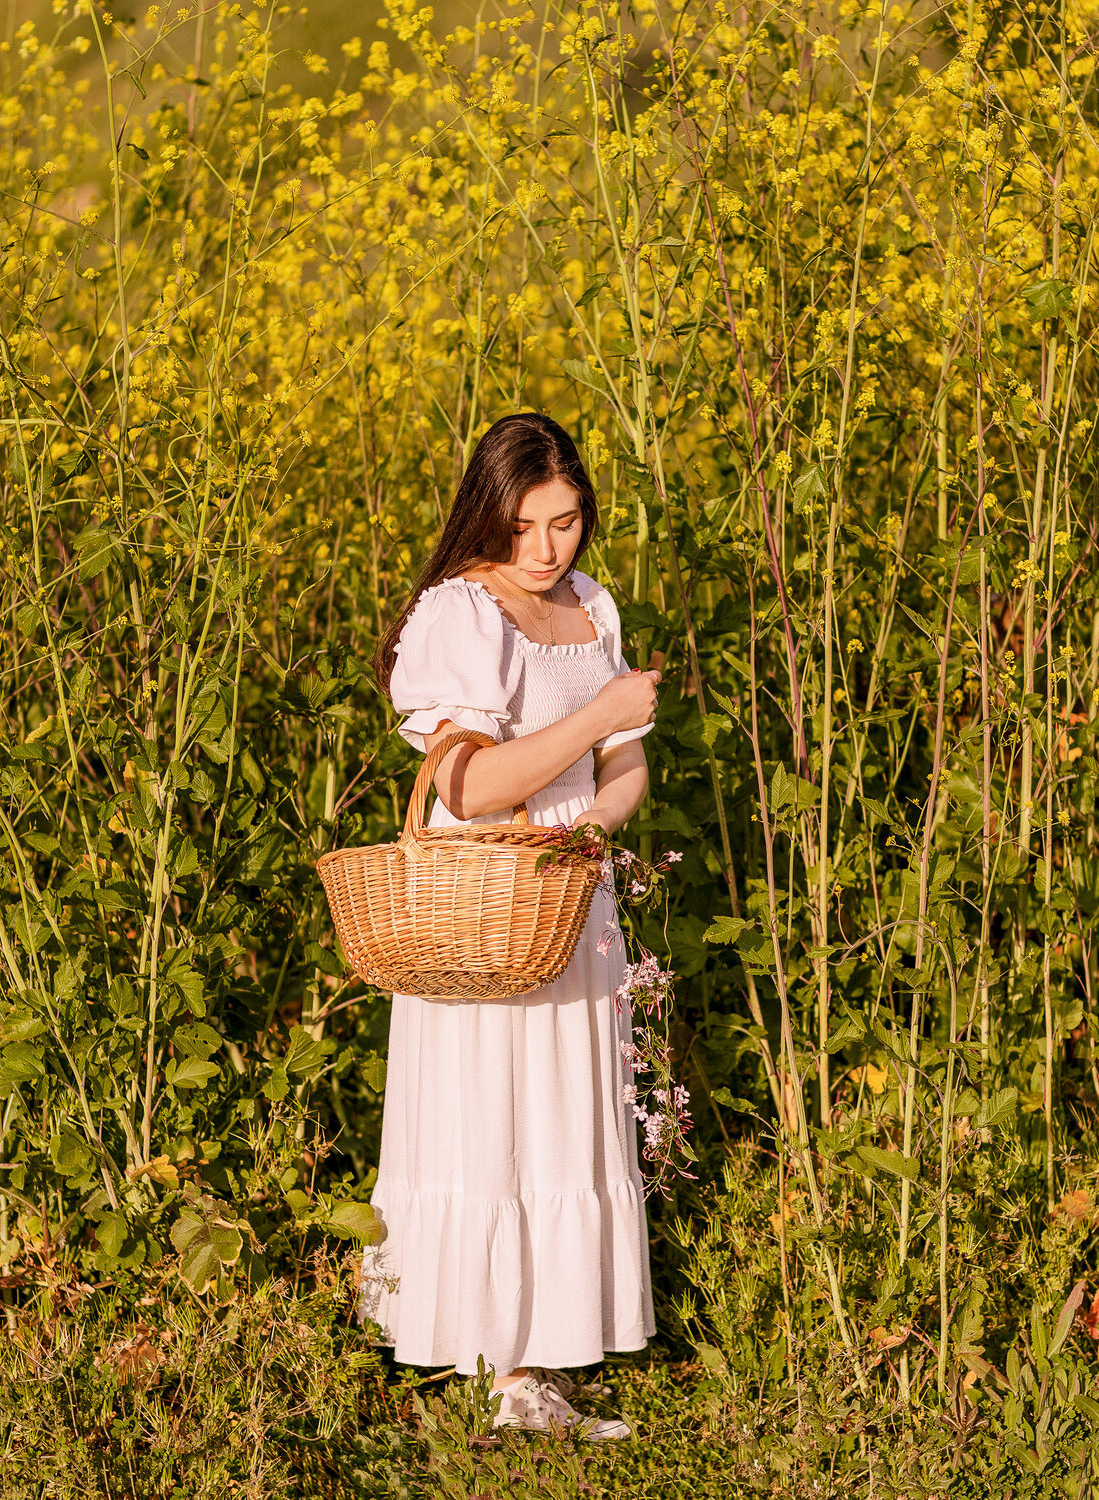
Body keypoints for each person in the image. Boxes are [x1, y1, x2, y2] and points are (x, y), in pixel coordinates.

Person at [362, 411, 662, 1438]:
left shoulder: (591, 605)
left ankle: (538, 1362)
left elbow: (625, 768)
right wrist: (591, 719)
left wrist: (588, 835)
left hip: (570, 893)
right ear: (491, 515)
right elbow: (473, 782)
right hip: (483, 901)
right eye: (528, 526)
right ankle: (493, 1362)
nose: (547, 550)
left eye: (568, 524)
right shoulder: (459, 614)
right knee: (488, 1110)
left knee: (559, 1116)